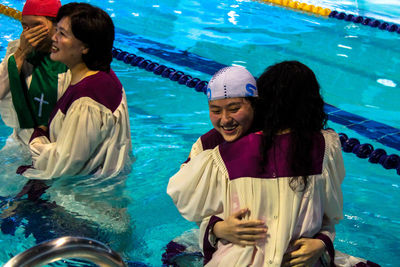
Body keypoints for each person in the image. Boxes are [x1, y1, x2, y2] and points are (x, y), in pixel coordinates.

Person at [167, 61, 345, 266]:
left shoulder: (311, 145)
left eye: (234, 109)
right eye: (216, 110)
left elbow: (319, 209)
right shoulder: (209, 147)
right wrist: (218, 229)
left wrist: (321, 242)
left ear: (256, 104)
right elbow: (192, 204)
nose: (225, 120)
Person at [17, 2, 131, 179]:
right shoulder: (103, 76)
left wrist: (37, 138)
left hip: (77, 202)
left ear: (85, 47)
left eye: (62, 34)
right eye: (56, 30)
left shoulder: (87, 99)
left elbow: (67, 163)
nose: (53, 37)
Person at [0, 0, 70, 148]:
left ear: (58, 25)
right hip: (20, 142)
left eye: (36, 26)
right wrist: (20, 55)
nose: (29, 33)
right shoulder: (17, 50)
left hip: (59, 148)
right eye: (25, 26)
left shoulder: (71, 58)